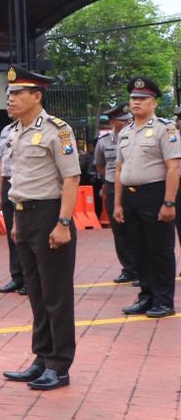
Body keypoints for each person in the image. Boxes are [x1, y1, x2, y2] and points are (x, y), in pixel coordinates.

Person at [0, 66, 81, 392]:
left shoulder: (57, 131)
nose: (11, 99)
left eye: (17, 93)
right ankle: (42, 357)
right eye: (9, 94)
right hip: (25, 216)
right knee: (36, 293)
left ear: (37, 96)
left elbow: (71, 178)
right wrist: (17, 223)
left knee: (56, 295)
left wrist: (63, 223)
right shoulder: (16, 131)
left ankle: (59, 366)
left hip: (50, 215)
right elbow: (18, 181)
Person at [114, 77, 179, 318]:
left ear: (153, 103)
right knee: (138, 250)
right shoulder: (126, 132)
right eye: (133, 98)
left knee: (159, 249)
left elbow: (173, 168)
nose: (136, 102)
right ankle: (146, 296)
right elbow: (120, 170)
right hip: (130, 197)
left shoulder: (165, 128)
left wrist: (169, 202)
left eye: (142, 99)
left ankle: (163, 300)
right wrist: (118, 203)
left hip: (155, 194)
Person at [94, 104, 136, 285]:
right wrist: (110, 181)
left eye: (128, 119)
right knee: (119, 230)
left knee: (137, 229)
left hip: (133, 187)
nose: (127, 122)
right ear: (112, 122)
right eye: (122, 120)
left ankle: (142, 269)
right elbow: (100, 166)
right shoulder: (103, 142)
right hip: (112, 186)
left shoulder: (135, 136)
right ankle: (129, 269)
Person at [0, 118, 27, 295]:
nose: (10, 103)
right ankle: (17, 277)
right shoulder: (6, 130)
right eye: (7, 99)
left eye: (14, 96)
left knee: (25, 234)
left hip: (25, 182)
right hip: (7, 182)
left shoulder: (33, 128)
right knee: (11, 235)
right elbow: (1, 164)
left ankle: (30, 278)